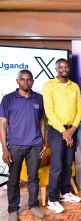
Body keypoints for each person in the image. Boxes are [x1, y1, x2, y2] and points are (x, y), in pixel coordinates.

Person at [0, 70, 46, 221]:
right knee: (14, 180)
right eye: (23, 79)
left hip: (35, 145)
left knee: (33, 178)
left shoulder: (38, 98)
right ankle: (13, 210)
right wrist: (5, 149)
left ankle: (33, 206)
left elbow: (41, 121)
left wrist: (43, 142)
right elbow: (2, 124)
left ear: (33, 81)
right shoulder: (8, 99)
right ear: (17, 81)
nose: (26, 82)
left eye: (29, 80)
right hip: (15, 146)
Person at [43, 58, 81, 213]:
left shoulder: (75, 87)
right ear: (56, 69)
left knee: (68, 164)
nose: (64, 69)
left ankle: (65, 192)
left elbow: (79, 109)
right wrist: (64, 133)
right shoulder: (49, 86)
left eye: (66, 66)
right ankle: (53, 200)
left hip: (71, 129)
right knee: (57, 166)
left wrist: (72, 129)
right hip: (56, 131)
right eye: (61, 67)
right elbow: (49, 112)